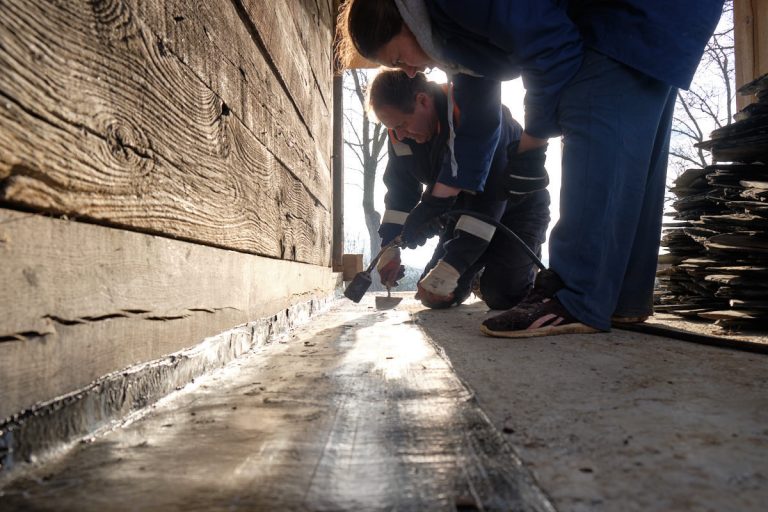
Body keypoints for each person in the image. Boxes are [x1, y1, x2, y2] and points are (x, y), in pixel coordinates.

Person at [338, 0, 724, 338]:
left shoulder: (451, 4)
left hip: (626, 15)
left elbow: (551, 46)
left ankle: (576, 297)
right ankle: (622, 298)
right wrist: (437, 201)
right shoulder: (454, 35)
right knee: (634, 159)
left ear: (405, 17)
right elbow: (478, 121)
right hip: (659, 17)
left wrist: (533, 143)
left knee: (586, 108)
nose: (407, 72)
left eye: (397, 58)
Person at [369, 69, 550, 309]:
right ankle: (474, 276)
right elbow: (401, 195)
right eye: (393, 128)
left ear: (423, 100)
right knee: (433, 296)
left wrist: (452, 265)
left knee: (502, 295)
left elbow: (489, 203)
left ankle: (517, 269)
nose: (401, 135)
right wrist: (389, 248)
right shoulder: (400, 136)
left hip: (517, 212)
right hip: (462, 214)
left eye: (403, 123)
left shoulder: (477, 117)